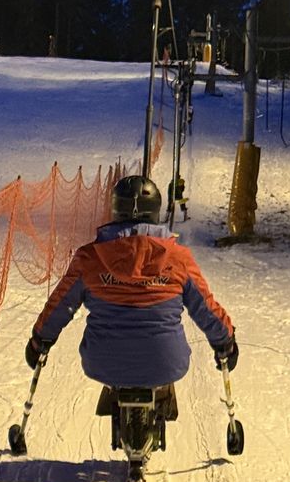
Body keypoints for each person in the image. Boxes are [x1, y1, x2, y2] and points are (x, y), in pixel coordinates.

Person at [25, 175, 238, 415]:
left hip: (102, 362)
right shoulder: (177, 259)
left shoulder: (90, 259)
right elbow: (204, 307)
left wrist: (40, 340)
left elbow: (61, 304)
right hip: (167, 362)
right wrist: (224, 341)